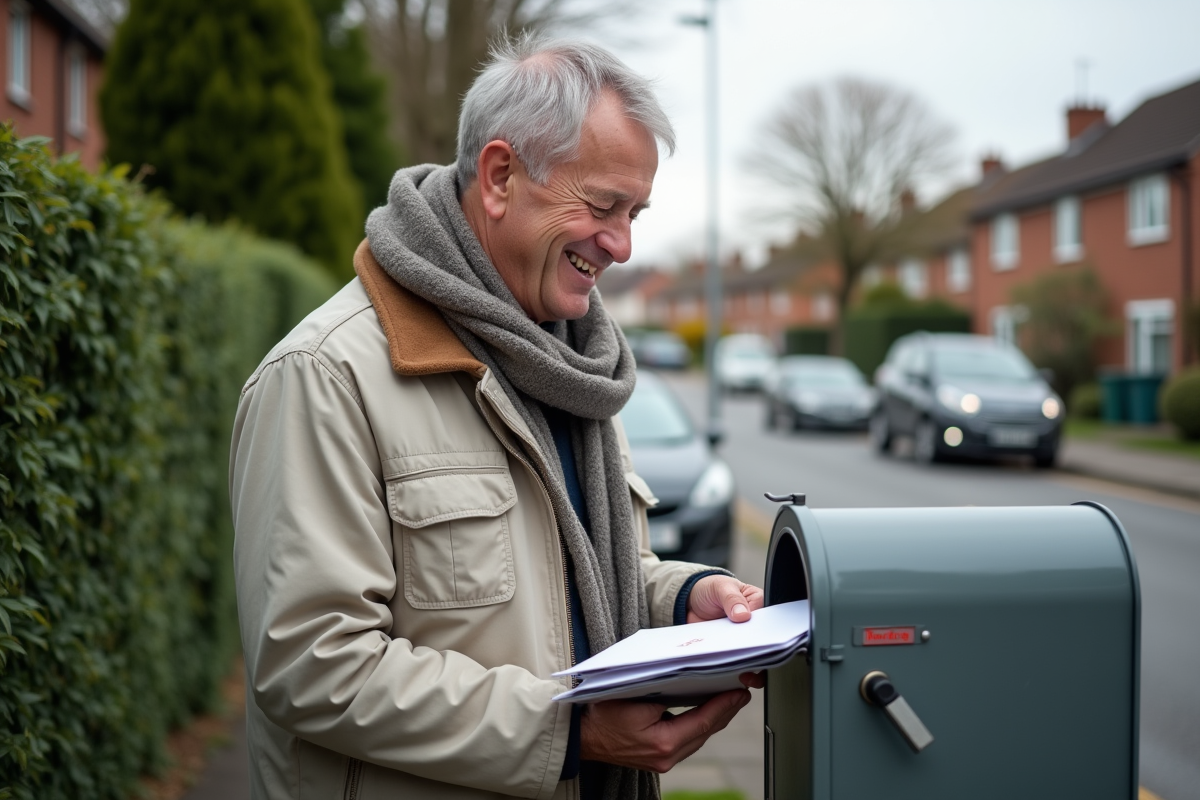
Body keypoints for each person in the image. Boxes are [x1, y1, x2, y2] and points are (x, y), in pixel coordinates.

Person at [230, 34, 764, 800]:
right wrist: (570, 731)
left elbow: (567, 575)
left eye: (636, 211)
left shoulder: (562, 361)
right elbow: (313, 665)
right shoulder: (324, 374)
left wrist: (682, 598)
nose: (621, 243)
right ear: (501, 176)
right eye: (604, 205)